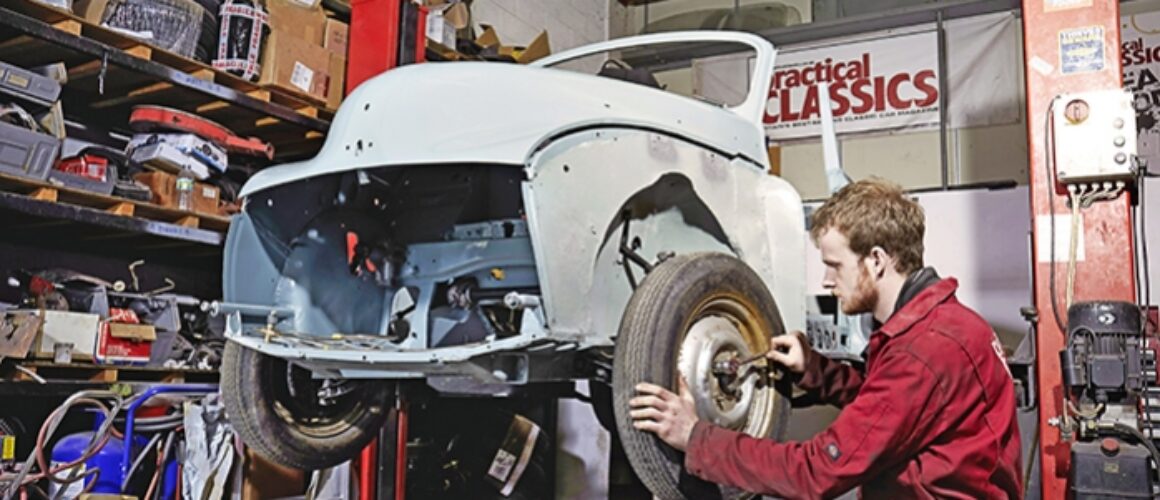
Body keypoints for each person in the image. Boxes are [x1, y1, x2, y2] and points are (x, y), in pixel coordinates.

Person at [629, 178, 1022, 498]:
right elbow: (890, 410)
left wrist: (695, 437)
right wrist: (814, 370)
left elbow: (818, 472)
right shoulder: (943, 323)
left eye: (835, 265)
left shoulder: (923, 352)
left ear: (877, 260)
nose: (827, 280)